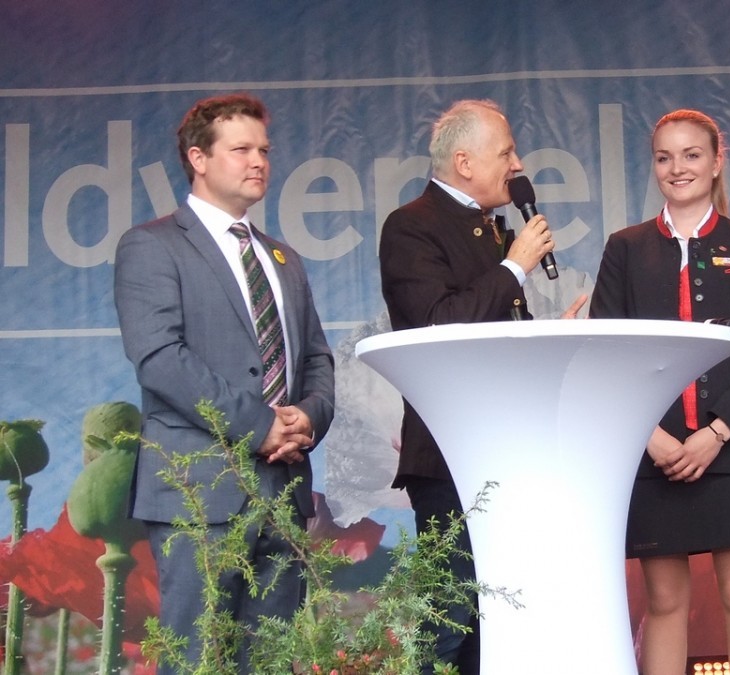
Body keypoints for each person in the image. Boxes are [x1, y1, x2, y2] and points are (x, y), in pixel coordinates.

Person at [113, 93, 335, 673]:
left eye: (264, 149)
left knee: (271, 660)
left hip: (283, 489)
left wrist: (308, 415)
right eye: (241, 149)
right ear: (199, 158)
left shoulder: (283, 258)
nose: (258, 160)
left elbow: (316, 357)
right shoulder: (152, 245)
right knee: (197, 658)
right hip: (201, 491)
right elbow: (160, 359)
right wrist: (261, 425)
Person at [377, 98, 585, 675]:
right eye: (507, 152)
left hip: (505, 449)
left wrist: (550, 337)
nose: (518, 165)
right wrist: (514, 267)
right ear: (464, 162)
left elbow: (493, 336)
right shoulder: (412, 225)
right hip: (450, 453)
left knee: (498, 625)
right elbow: (437, 324)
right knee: (449, 617)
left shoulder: (489, 227)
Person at [590, 109, 730, 675]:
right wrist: (651, 438)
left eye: (692, 155)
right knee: (665, 601)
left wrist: (717, 433)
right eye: (664, 157)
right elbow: (605, 355)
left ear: (717, 161)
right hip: (654, 451)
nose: (678, 168)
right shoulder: (625, 247)